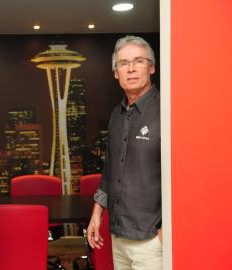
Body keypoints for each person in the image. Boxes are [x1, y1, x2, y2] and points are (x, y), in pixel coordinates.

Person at [87, 36, 162, 270]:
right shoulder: (116, 116)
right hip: (118, 237)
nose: (130, 69)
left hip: (151, 240)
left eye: (138, 61)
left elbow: (186, 176)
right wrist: (97, 213)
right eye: (123, 63)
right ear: (116, 73)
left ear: (151, 68)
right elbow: (110, 169)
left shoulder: (167, 110)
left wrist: (167, 230)